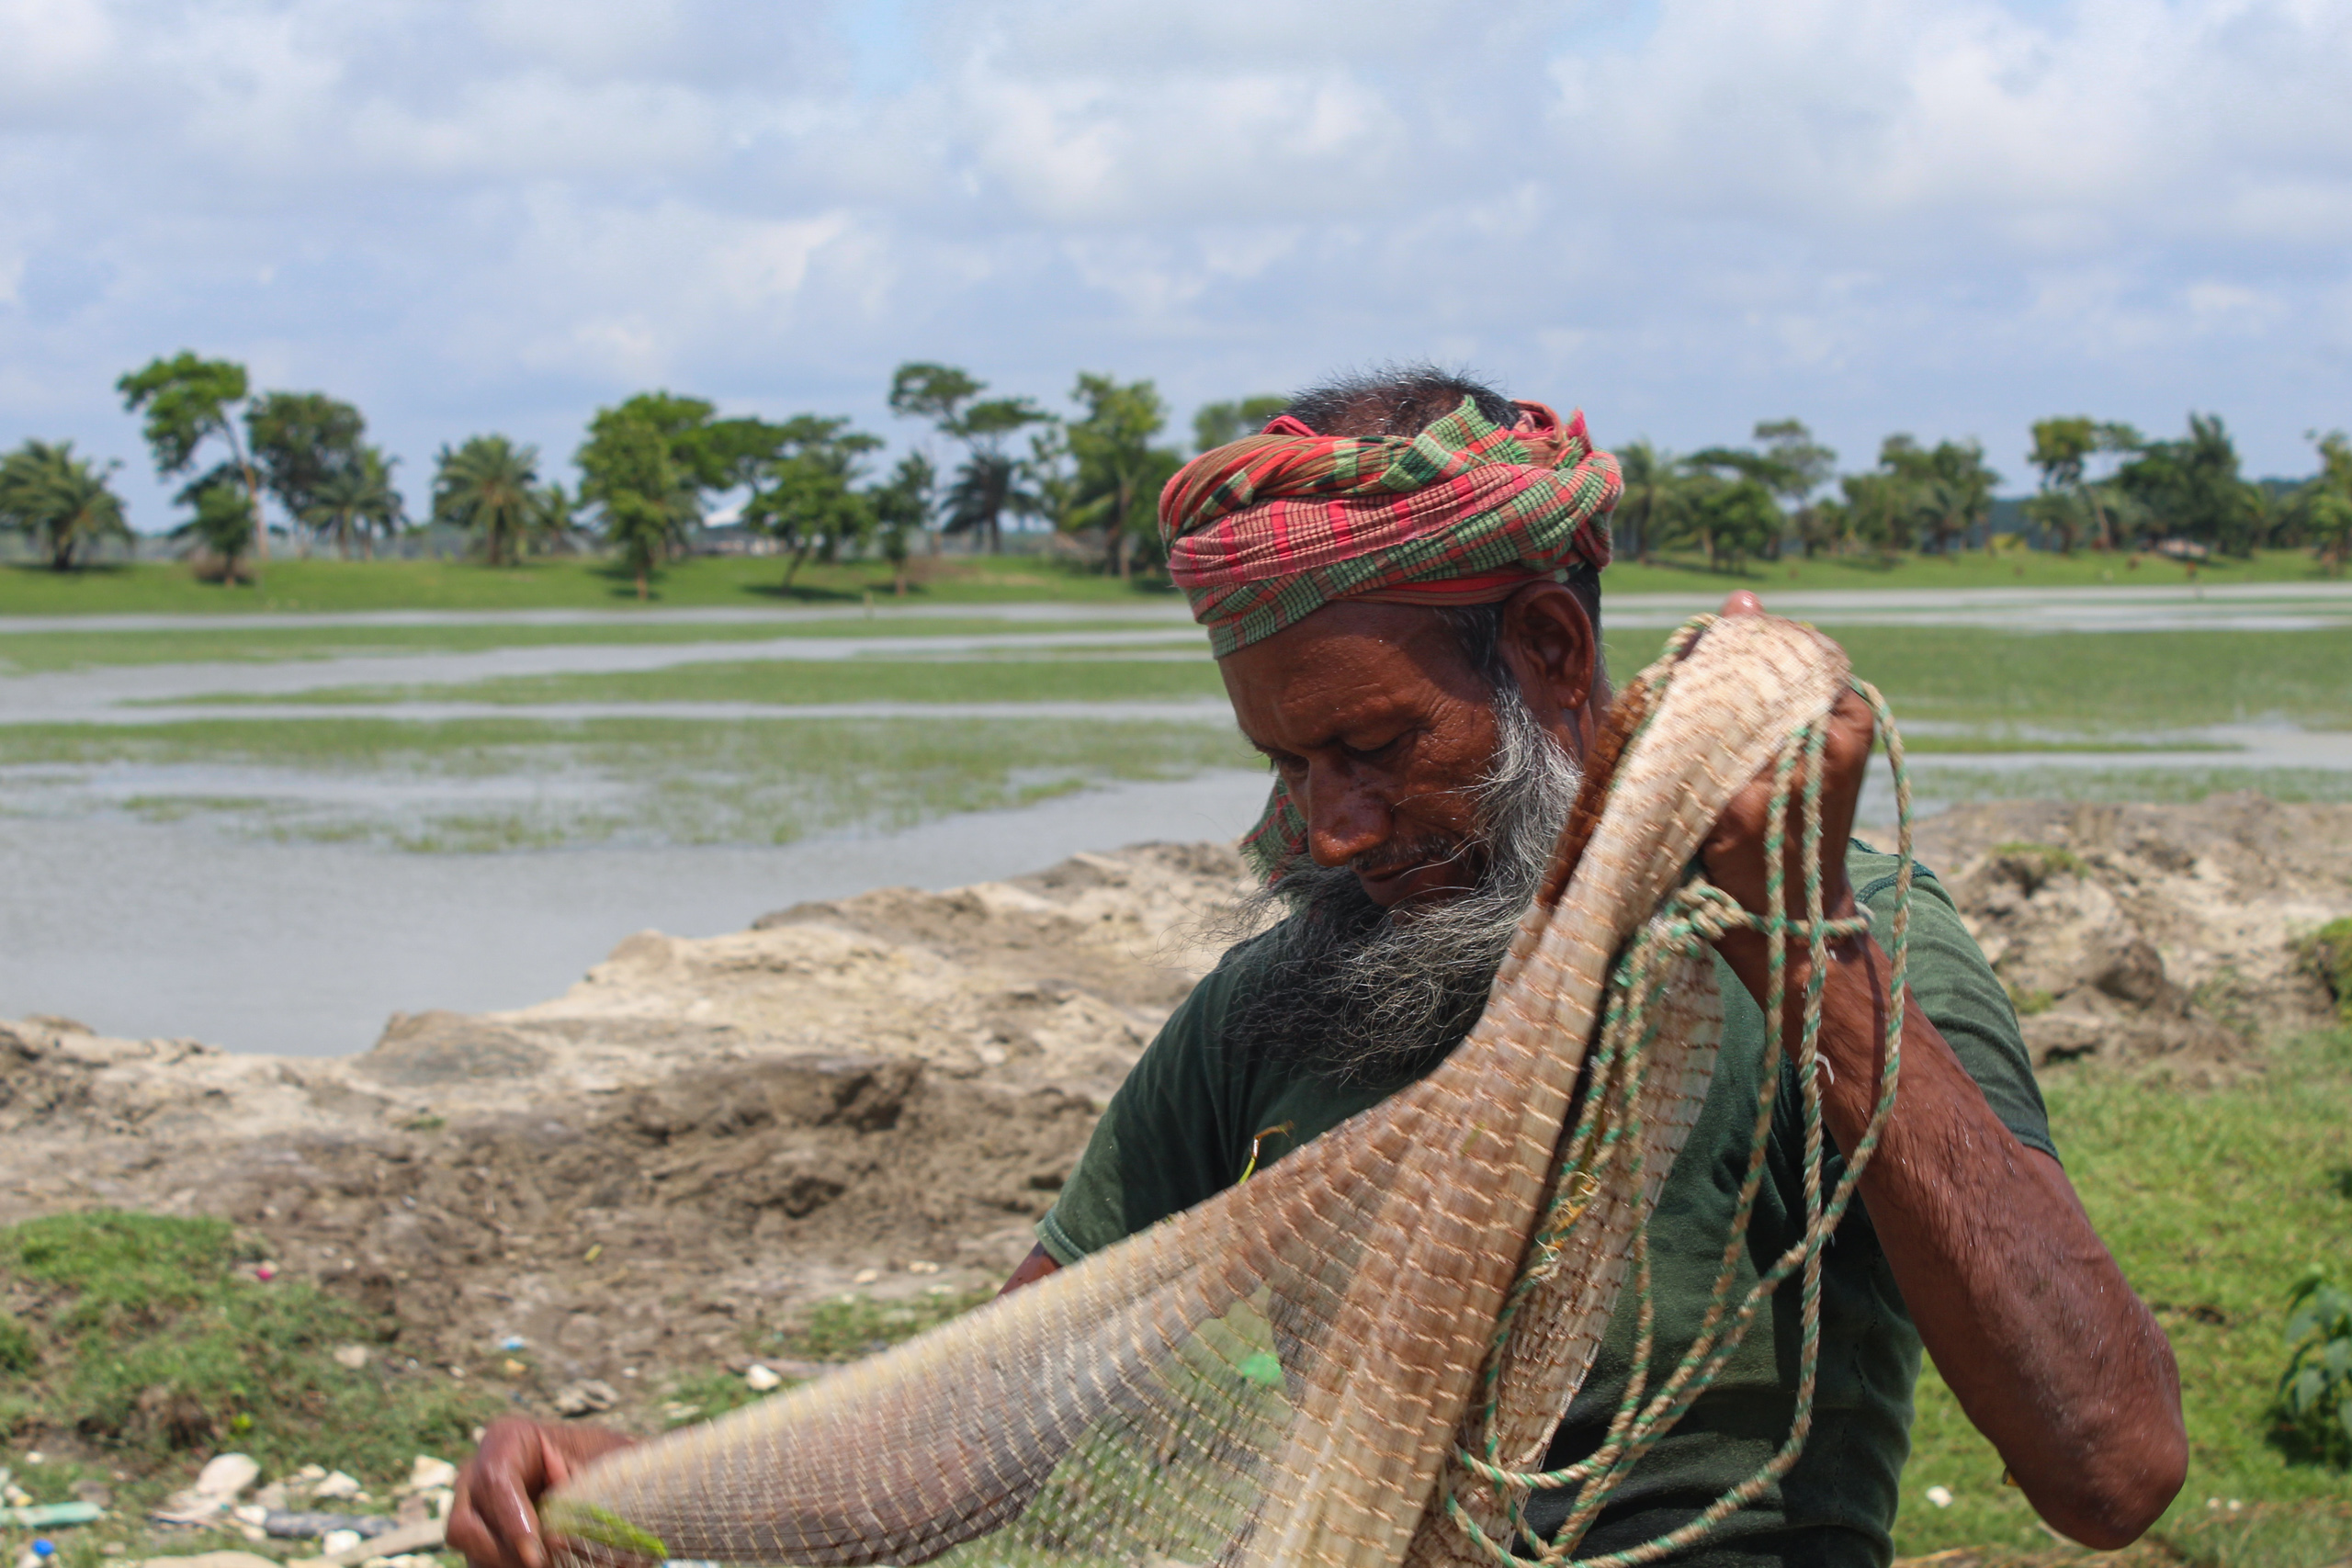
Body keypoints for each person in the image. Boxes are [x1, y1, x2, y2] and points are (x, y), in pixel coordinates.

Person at [451, 367, 2185, 1568]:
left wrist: (1808, 946)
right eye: (1287, 766)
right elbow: (991, 1414)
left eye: (1372, 746)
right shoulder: (1284, 1003)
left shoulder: (1824, 948)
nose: (1332, 827)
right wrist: (636, 1490)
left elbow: (2108, 1468)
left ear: (1553, 652)